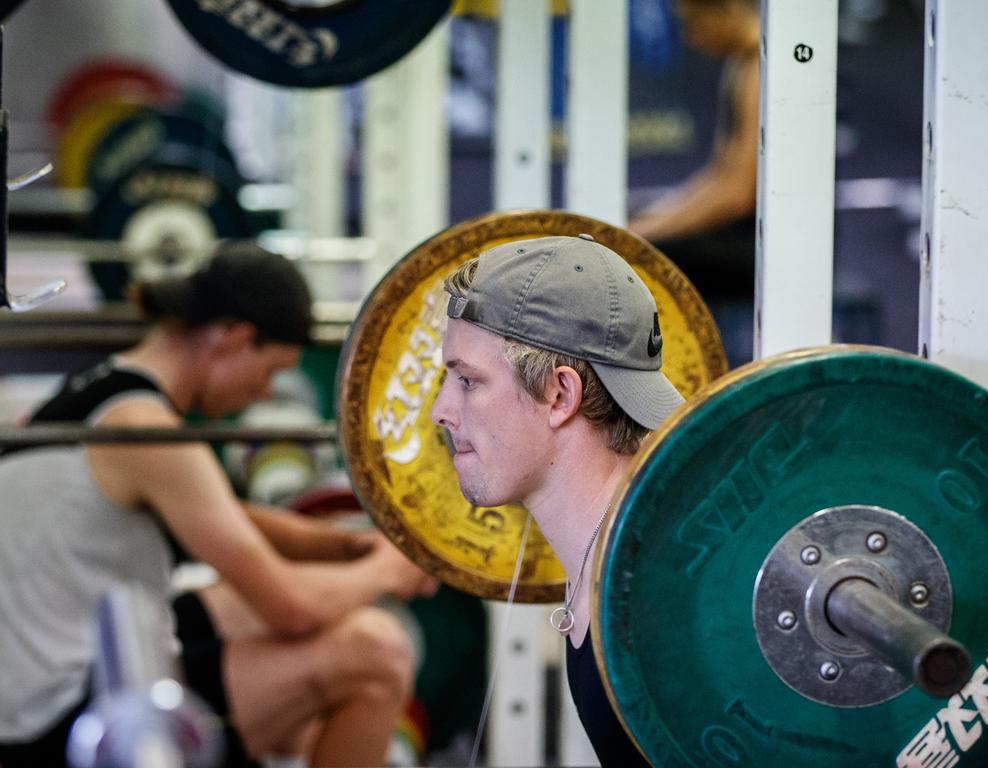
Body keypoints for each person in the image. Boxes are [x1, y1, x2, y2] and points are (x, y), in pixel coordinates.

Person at [0, 241, 438, 768]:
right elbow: (292, 608)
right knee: (378, 652)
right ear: (234, 337)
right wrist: (389, 570)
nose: (263, 394)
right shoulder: (148, 433)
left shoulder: (104, 390)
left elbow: (224, 515)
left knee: (245, 607)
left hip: (65, 666)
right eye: (270, 372)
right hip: (58, 724)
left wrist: (343, 546)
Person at [431, 233, 684, 766]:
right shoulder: (603, 565)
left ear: (560, 395)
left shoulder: (655, 600)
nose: (441, 410)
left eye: (468, 381)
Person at [629, 0, 760, 360]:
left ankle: (674, 382)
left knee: (639, 255)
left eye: (692, 23)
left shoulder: (764, 70)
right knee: (634, 232)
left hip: (767, 246)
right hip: (742, 232)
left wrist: (646, 234)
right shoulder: (743, 64)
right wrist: (650, 220)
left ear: (728, 8)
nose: (689, 37)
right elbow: (719, 175)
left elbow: (736, 195)